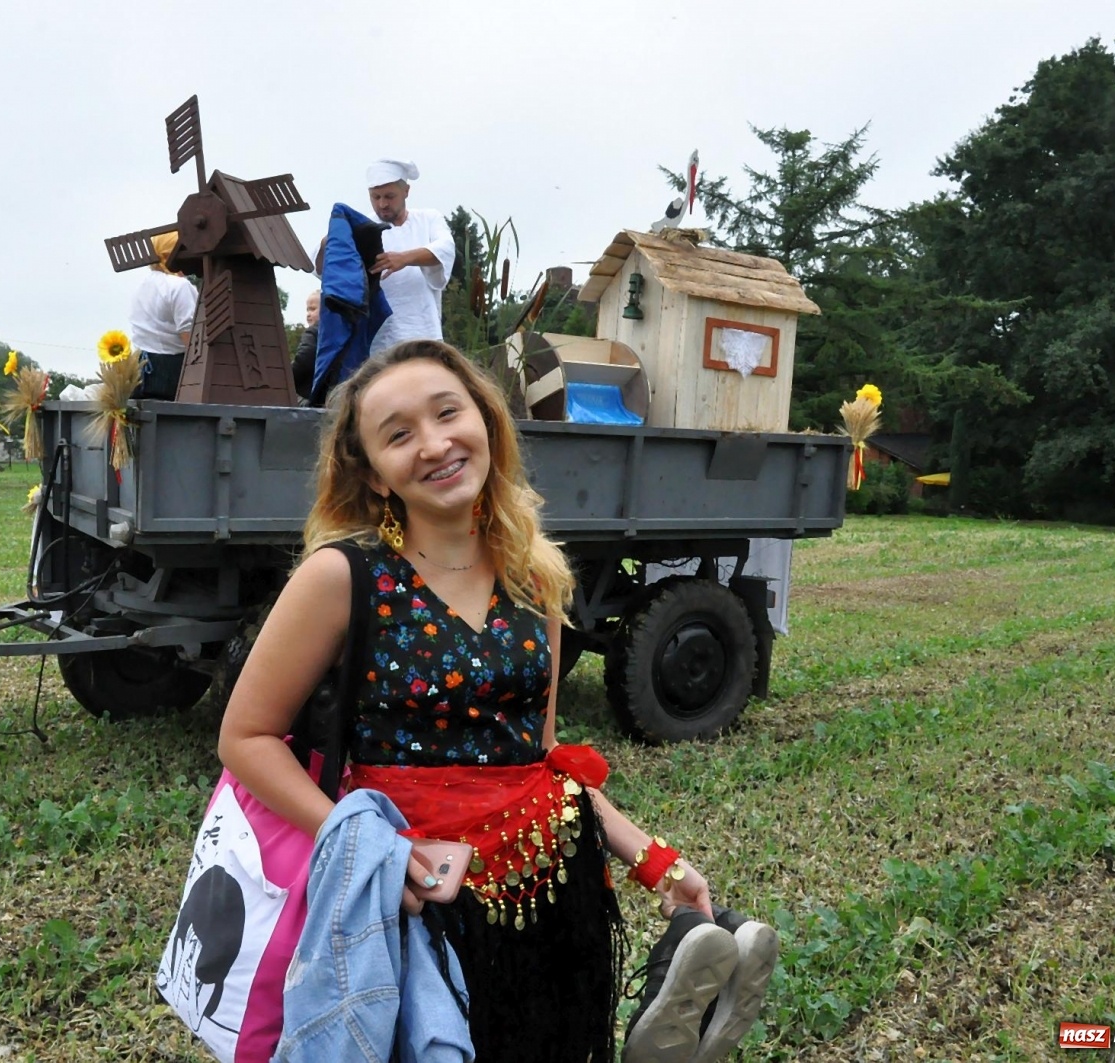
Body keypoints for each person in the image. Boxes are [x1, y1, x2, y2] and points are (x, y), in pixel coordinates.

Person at [219, 339, 773, 1063]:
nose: (435, 443)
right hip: (422, 906)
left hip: (550, 893)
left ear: (485, 420)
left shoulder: (532, 575)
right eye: (399, 433)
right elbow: (246, 736)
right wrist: (374, 851)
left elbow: (538, 759)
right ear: (373, 473)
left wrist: (656, 861)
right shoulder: (342, 575)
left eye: (448, 413)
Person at [364, 160, 455, 355]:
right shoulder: (363, 226)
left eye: (389, 196)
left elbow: (445, 248)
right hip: (380, 338)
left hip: (424, 331)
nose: (382, 204)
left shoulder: (428, 218)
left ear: (406, 191)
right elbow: (323, 266)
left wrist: (404, 258)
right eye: (375, 197)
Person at [129, 231, 197, 401]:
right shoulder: (180, 286)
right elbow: (190, 336)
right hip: (169, 373)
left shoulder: (143, 285)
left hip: (139, 371)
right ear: (171, 255)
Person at [292, 289, 320, 402]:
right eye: (307, 310)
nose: (308, 314)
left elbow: (305, 357)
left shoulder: (312, 332)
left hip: (307, 394)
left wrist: (288, 376)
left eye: (313, 309)